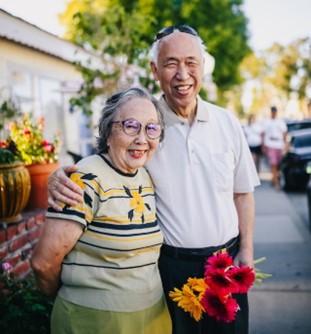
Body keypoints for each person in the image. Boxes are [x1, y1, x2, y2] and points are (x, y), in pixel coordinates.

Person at [47, 25, 260, 334]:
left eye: (191, 62)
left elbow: (242, 192)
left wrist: (248, 250)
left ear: (203, 66)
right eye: (171, 63)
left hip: (226, 264)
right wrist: (58, 175)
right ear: (155, 70)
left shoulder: (226, 122)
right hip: (170, 269)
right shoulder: (145, 126)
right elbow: (106, 161)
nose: (182, 74)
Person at [31, 87, 172, 334]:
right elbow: (43, 264)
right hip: (93, 322)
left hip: (152, 318)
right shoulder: (85, 179)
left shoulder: (146, 176)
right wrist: (76, 297)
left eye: (151, 128)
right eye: (130, 126)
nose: (142, 138)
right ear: (108, 132)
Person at [262, 106, 287, 190]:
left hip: (279, 145)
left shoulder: (280, 122)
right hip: (270, 144)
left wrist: (285, 145)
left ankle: (274, 179)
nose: (273, 113)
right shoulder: (267, 122)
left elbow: (284, 133)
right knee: (273, 164)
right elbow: (263, 134)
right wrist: (263, 146)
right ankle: (277, 184)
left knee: (278, 165)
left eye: (274, 111)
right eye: (272, 111)